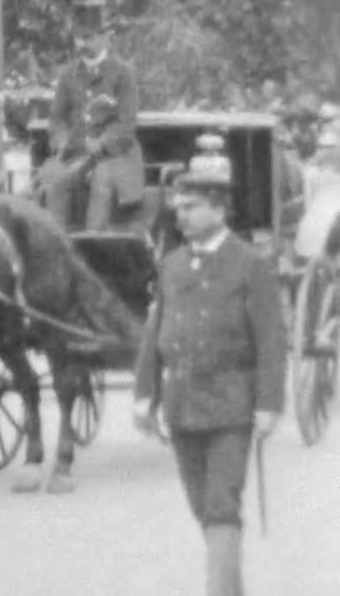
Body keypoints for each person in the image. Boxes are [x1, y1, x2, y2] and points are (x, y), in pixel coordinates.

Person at [133, 146, 286, 596]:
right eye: (178, 207)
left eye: (191, 207)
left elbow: (271, 339)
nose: (180, 215)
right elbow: (155, 333)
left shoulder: (250, 265)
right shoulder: (172, 265)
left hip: (231, 410)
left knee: (221, 506)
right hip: (181, 410)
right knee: (204, 507)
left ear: (219, 208)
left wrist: (269, 404)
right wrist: (146, 395)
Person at [42, 0, 144, 232]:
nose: (82, 44)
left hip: (116, 157)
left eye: (88, 38)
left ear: (103, 37)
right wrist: (62, 141)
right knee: (56, 179)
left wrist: (100, 145)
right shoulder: (68, 75)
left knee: (102, 180)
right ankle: (57, 243)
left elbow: (126, 124)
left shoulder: (122, 74)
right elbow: (56, 118)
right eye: (78, 38)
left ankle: (92, 243)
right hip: (76, 155)